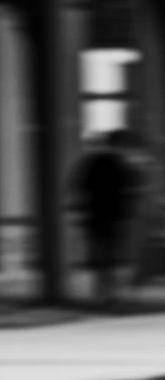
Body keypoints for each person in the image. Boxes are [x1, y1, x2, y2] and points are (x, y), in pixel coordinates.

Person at [70, 130, 140, 309]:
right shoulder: (122, 165)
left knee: (99, 257)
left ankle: (101, 295)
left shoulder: (89, 164)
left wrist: (80, 213)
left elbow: (78, 189)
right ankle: (114, 295)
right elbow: (130, 192)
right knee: (115, 256)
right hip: (116, 218)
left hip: (95, 218)